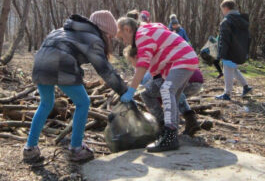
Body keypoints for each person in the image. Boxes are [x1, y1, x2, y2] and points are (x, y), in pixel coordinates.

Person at [23, 11, 128, 162]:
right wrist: (123, 90)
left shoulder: (62, 30)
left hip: (40, 63)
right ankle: (76, 149)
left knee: (46, 103)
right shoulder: (93, 39)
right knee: (83, 102)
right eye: (110, 36)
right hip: (61, 64)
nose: (110, 39)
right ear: (103, 31)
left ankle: (30, 148)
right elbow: (105, 70)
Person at [116, 17, 199, 152]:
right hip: (183, 59)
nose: (124, 42)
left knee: (166, 90)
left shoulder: (141, 36)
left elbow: (142, 65)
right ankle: (171, 134)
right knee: (174, 96)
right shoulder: (147, 30)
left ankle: (170, 134)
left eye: (122, 37)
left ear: (127, 29)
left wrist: (131, 91)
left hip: (182, 59)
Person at [123, 45, 203, 136]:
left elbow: (156, 86)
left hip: (187, 79)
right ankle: (191, 120)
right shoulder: (158, 56)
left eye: (131, 61)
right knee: (173, 92)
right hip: (197, 81)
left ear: (136, 57)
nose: (132, 64)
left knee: (145, 93)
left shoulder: (148, 68)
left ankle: (163, 124)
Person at [216, 0, 252, 101]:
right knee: (234, 69)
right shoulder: (243, 20)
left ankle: (227, 94)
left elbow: (224, 40)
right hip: (240, 51)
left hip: (230, 52)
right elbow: (248, 38)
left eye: (222, 9)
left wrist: (221, 55)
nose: (222, 12)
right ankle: (246, 87)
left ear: (226, 8)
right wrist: (246, 52)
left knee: (227, 70)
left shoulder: (226, 22)